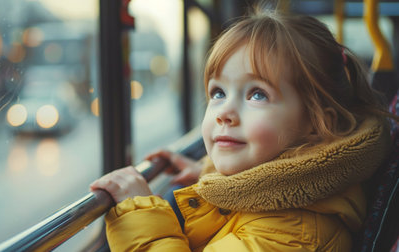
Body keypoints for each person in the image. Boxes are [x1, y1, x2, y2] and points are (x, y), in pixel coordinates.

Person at [89, 5, 395, 251]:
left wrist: (139, 212)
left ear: (317, 124)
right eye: (218, 93)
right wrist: (207, 172)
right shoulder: (289, 192)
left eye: (257, 94)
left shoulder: (295, 236)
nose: (225, 113)